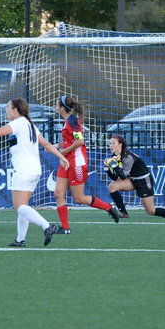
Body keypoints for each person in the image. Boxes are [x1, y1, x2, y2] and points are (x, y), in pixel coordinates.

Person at [0, 98, 69, 247]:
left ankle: (47, 226)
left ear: (16, 109)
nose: (6, 110)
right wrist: (61, 157)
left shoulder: (18, 123)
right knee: (23, 206)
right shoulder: (30, 124)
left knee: (19, 207)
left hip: (23, 170)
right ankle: (20, 239)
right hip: (35, 171)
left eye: (8, 107)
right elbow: (47, 144)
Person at [54, 95, 120, 234]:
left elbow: (80, 141)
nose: (55, 107)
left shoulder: (72, 121)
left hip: (76, 163)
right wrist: (54, 146)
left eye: (57, 104)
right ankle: (65, 228)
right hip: (66, 162)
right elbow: (68, 141)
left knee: (79, 198)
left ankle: (109, 207)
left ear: (62, 108)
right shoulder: (67, 121)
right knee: (58, 194)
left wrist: (63, 151)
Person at [104, 134, 165, 219]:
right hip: (133, 179)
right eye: (110, 143)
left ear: (120, 144)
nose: (111, 145)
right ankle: (123, 213)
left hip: (144, 181)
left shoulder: (128, 157)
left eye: (114, 143)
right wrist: (107, 169)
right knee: (112, 186)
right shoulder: (114, 157)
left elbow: (123, 176)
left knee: (151, 211)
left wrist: (114, 166)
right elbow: (115, 178)